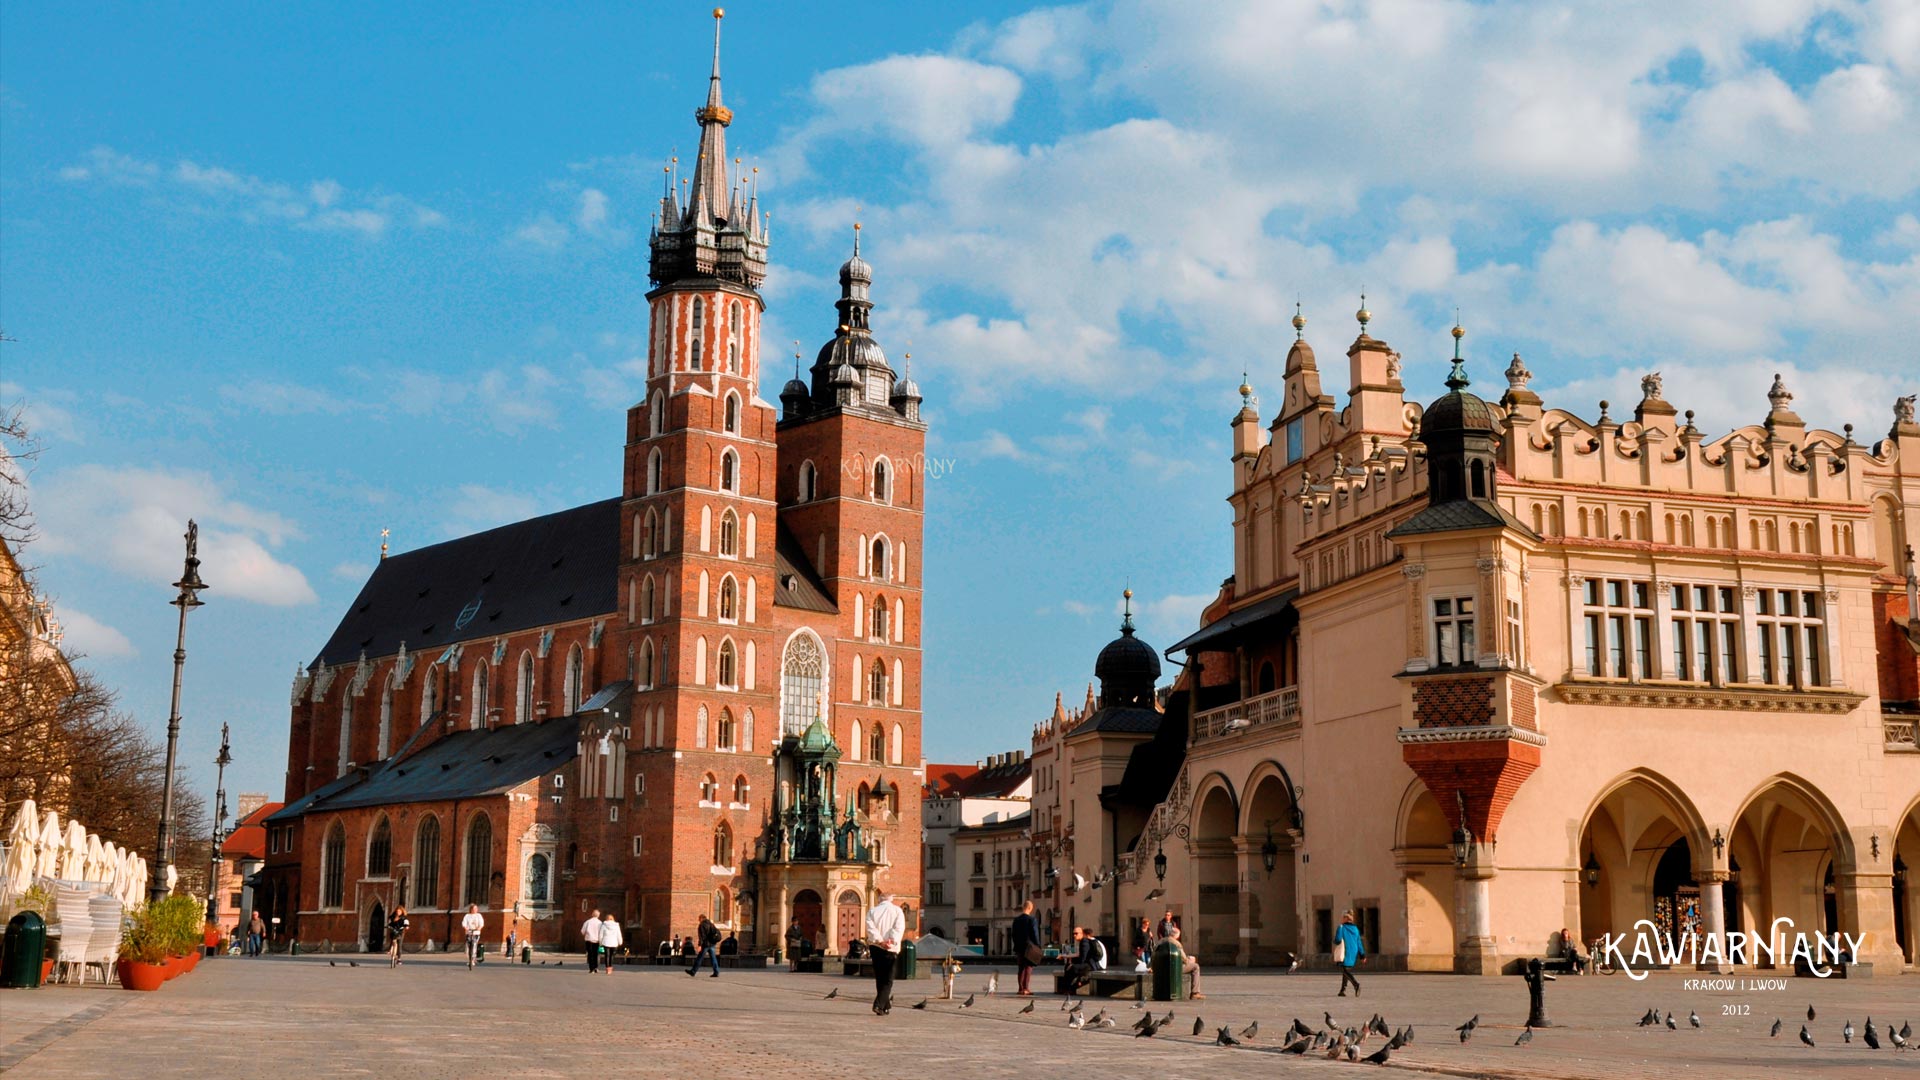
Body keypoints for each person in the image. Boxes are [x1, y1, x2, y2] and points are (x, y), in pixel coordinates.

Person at [864, 890, 906, 1015]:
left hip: (876, 947)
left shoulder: (872, 911)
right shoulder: (897, 910)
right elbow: (898, 928)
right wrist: (890, 941)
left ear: (880, 899)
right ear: (891, 899)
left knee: (880, 976)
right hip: (890, 947)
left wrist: (880, 941)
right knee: (888, 978)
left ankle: (885, 1006)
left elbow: (870, 928)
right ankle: (878, 1005)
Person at [1010, 899, 1041, 996]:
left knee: (1020, 968)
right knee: (1028, 967)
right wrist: (1038, 945)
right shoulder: (1032, 920)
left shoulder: (1016, 920)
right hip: (1029, 947)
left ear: (1023, 907)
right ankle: (1026, 988)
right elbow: (1035, 934)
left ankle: (1020, 988)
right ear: (1030, 908)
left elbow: (1013, 934)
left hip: (1019, 947)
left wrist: (1016, 944)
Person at [1167, 926, 1203, 1000]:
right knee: (1195, 966)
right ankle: (1195, 992)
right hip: (1175, 968)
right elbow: (1184, 959)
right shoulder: (1176, 944)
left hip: (1162, 968)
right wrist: (1190, 960)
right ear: (1176, 936)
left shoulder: (1161, 941)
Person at [1334, 910, 1365, 996]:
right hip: (1353, 952)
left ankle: (1356, 984)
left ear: (1346, 918)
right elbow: (1359, 942)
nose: (1341, 919)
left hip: (1345, 952)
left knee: (1344, 970)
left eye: (1343, 917)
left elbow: (1338, 940)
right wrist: (1362, 955)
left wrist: (1336, 940)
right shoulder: (1356, 929)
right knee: (1346, 970)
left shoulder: (1341, 927)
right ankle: (1342, 990)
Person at [1061, 926, 1096, 994]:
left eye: (1076, 933)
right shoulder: (1083, 941)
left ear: (1081, 933)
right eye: (1073, 933)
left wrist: (1074, 964)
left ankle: (1069, 989)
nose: (1074, 935)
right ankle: (1067, 989)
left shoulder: (1084, 942)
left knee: (1072, 968)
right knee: (1069, 966)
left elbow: (1083, 957)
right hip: (1088, 963)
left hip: (1091, 965)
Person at [461, 904, 486, 970]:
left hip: (476, 932)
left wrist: (479, 928)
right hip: (469, 932)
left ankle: (473, 959)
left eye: (476, 909)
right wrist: (465, 927)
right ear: (471, 909)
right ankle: (469, 959)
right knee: (469, 945)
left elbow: (481, 923)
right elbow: (464, 923)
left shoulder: (479, 915)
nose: (475, 910)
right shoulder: (467, 916)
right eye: (474, 909)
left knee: (474, 945)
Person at [581, 908, 604, 974]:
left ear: (592, 914)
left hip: (589, 940)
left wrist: (585, 935)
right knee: (596, 954)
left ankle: (591, 969)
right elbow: (601, 932)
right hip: (596, 941)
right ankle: (596, 967)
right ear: (598, 915)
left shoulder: (587, 922)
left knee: (590, 955)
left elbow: (582, 931)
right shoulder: (600, 923)